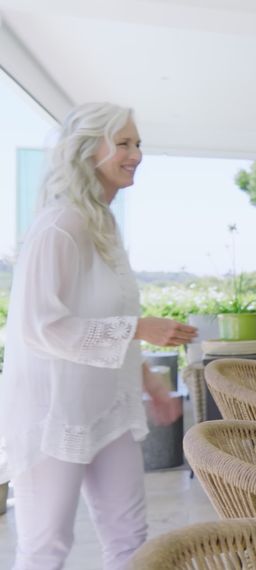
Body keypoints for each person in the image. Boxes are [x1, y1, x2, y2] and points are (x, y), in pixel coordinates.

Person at [0, 102, 197, 569]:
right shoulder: (58, 225)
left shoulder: (104, 224)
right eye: (124, 143)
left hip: (108, 410)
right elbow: (38, 326)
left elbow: (106, 315)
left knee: (131, 541)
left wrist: (151, 382)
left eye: (138, 143)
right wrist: (140, 329)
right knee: (45, 549)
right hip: (54, 414)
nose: (136, 154)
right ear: (89, 151)